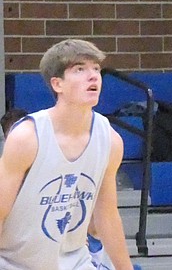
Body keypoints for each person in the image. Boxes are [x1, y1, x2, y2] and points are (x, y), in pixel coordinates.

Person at [0, 39, 133, 270]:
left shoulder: (110, 141)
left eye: (96, 69)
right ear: (57, 84)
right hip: (15, 263)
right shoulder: (27, 137)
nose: (93, 76)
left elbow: (107, 217)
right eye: (80, 69)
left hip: (75, 262)